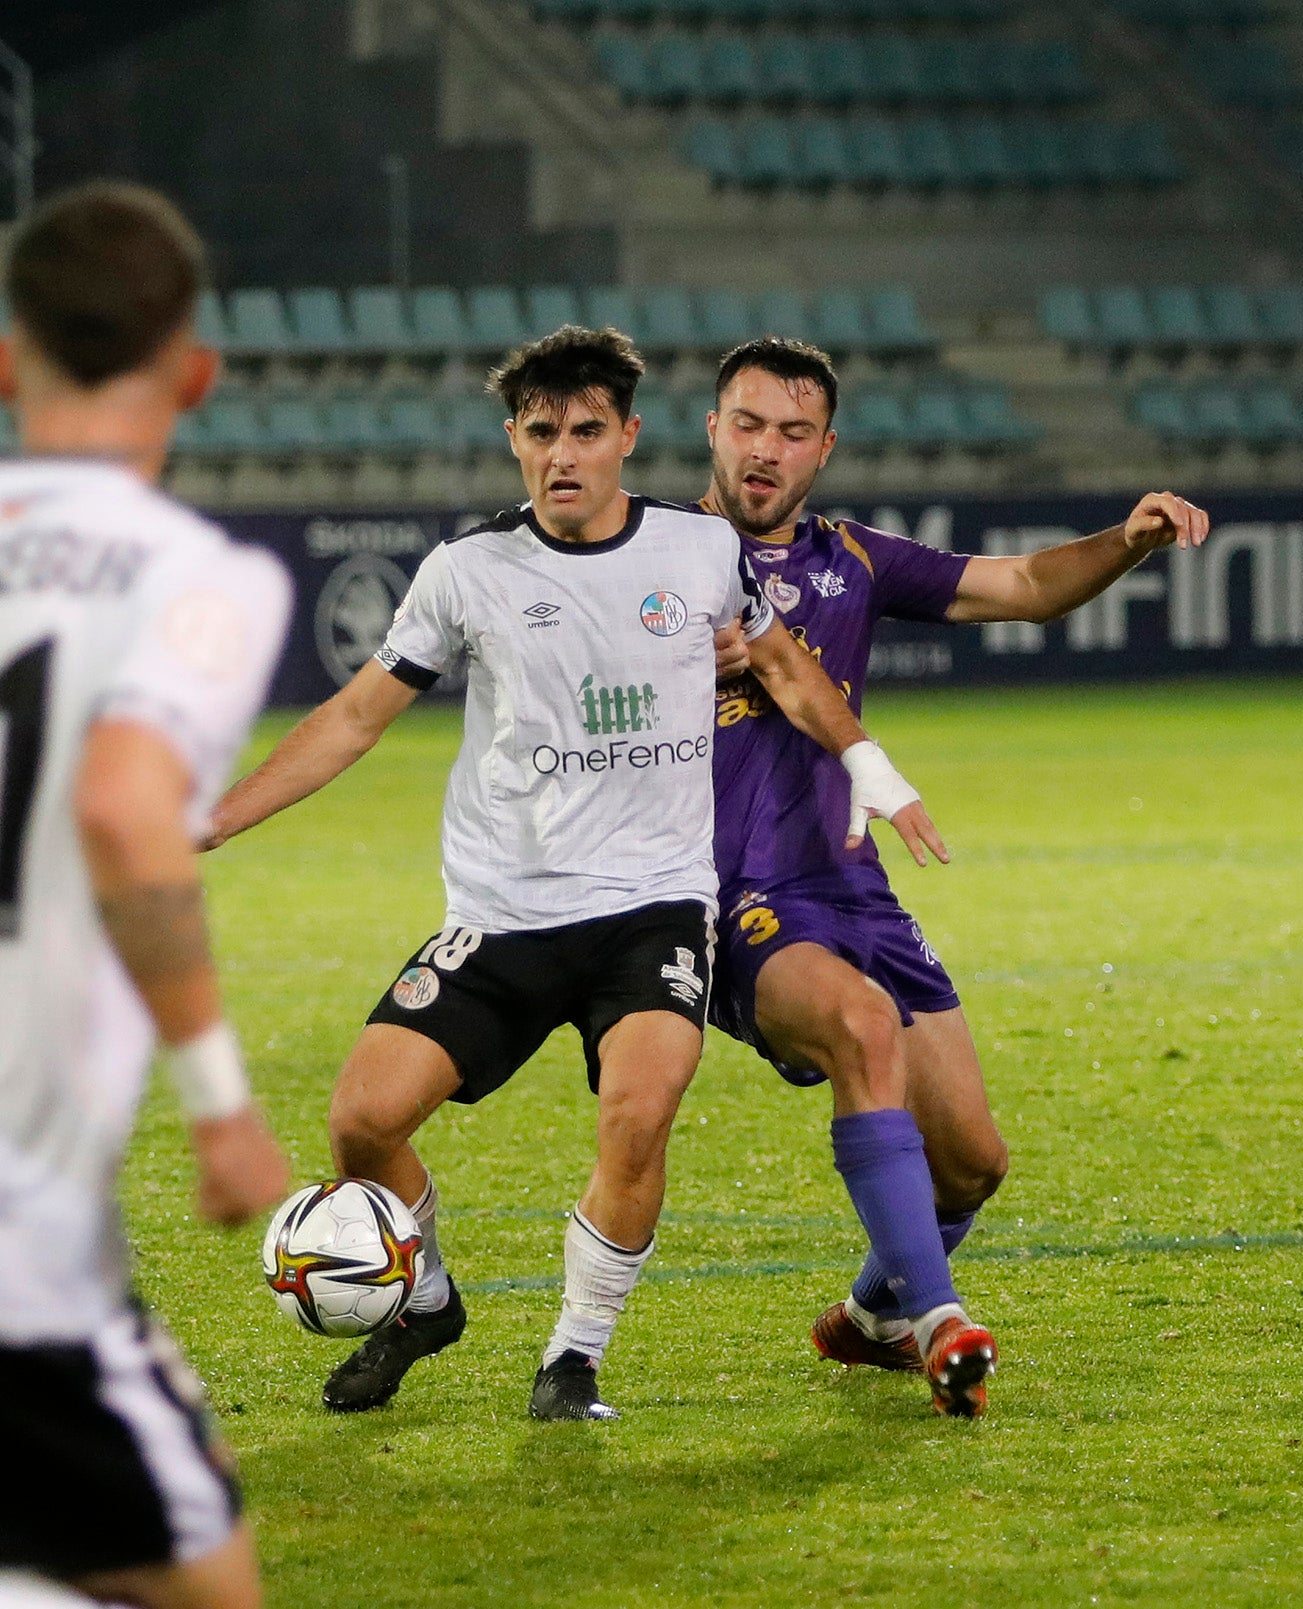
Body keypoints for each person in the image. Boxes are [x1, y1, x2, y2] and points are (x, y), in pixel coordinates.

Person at [203, 325, 939, 1423]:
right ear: (513, 439)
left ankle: (573, 1357)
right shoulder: (468, 572)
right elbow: (358, 716)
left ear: (628, 438)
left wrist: (867, 763)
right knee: (361, 1120)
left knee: (639, 1110)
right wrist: (213, 821)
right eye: (541, 432)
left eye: (586, 431)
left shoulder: (698, 555)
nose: (563, 453)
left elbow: (782, 658)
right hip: (503, 913)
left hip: (653, 910)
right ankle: (431, 1297)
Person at [705, 337, 1210, 1417]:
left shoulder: (857, 559)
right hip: (737, 896)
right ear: (712, 429)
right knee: (861, 1031)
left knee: (974, 1163)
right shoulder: (651, 559)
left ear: (824, 449)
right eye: (748, 424)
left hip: (857, 890)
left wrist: (1127, 539)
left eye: (793, 434)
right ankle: (941, 1324)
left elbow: (1026, 584)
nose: (766, 451)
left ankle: (873, 1317)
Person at [0, 183, 292, 1605]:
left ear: (8, 362)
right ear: (194, 370)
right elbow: (123, 804)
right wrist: (222, 1101)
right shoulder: (201, 579)